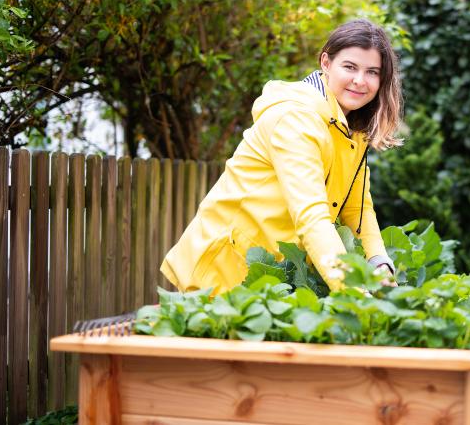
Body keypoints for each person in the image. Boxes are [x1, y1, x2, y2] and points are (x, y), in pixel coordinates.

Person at [160, 19, 402, 295]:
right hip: (224, 270)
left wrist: (378, 262)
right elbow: (311, 215)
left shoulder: (351, 130)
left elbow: (357, 209)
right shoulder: (296, 119)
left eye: (372, 72)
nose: (360, 80)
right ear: (326, 63)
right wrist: (352, 293)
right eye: (350, 67)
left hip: (270, 276)